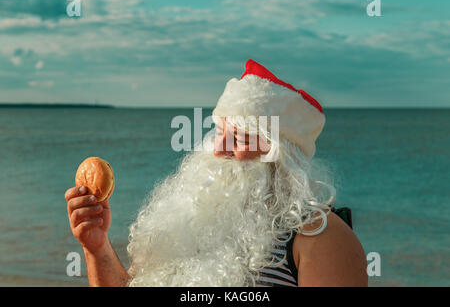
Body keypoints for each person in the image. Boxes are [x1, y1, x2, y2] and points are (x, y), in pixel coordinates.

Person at [65, 59, 368, 287]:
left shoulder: (320, 237)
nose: (220, 148)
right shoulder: (192, 224)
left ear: (281, 154)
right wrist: (97, 247)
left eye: (240, 137)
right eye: (220, 131)